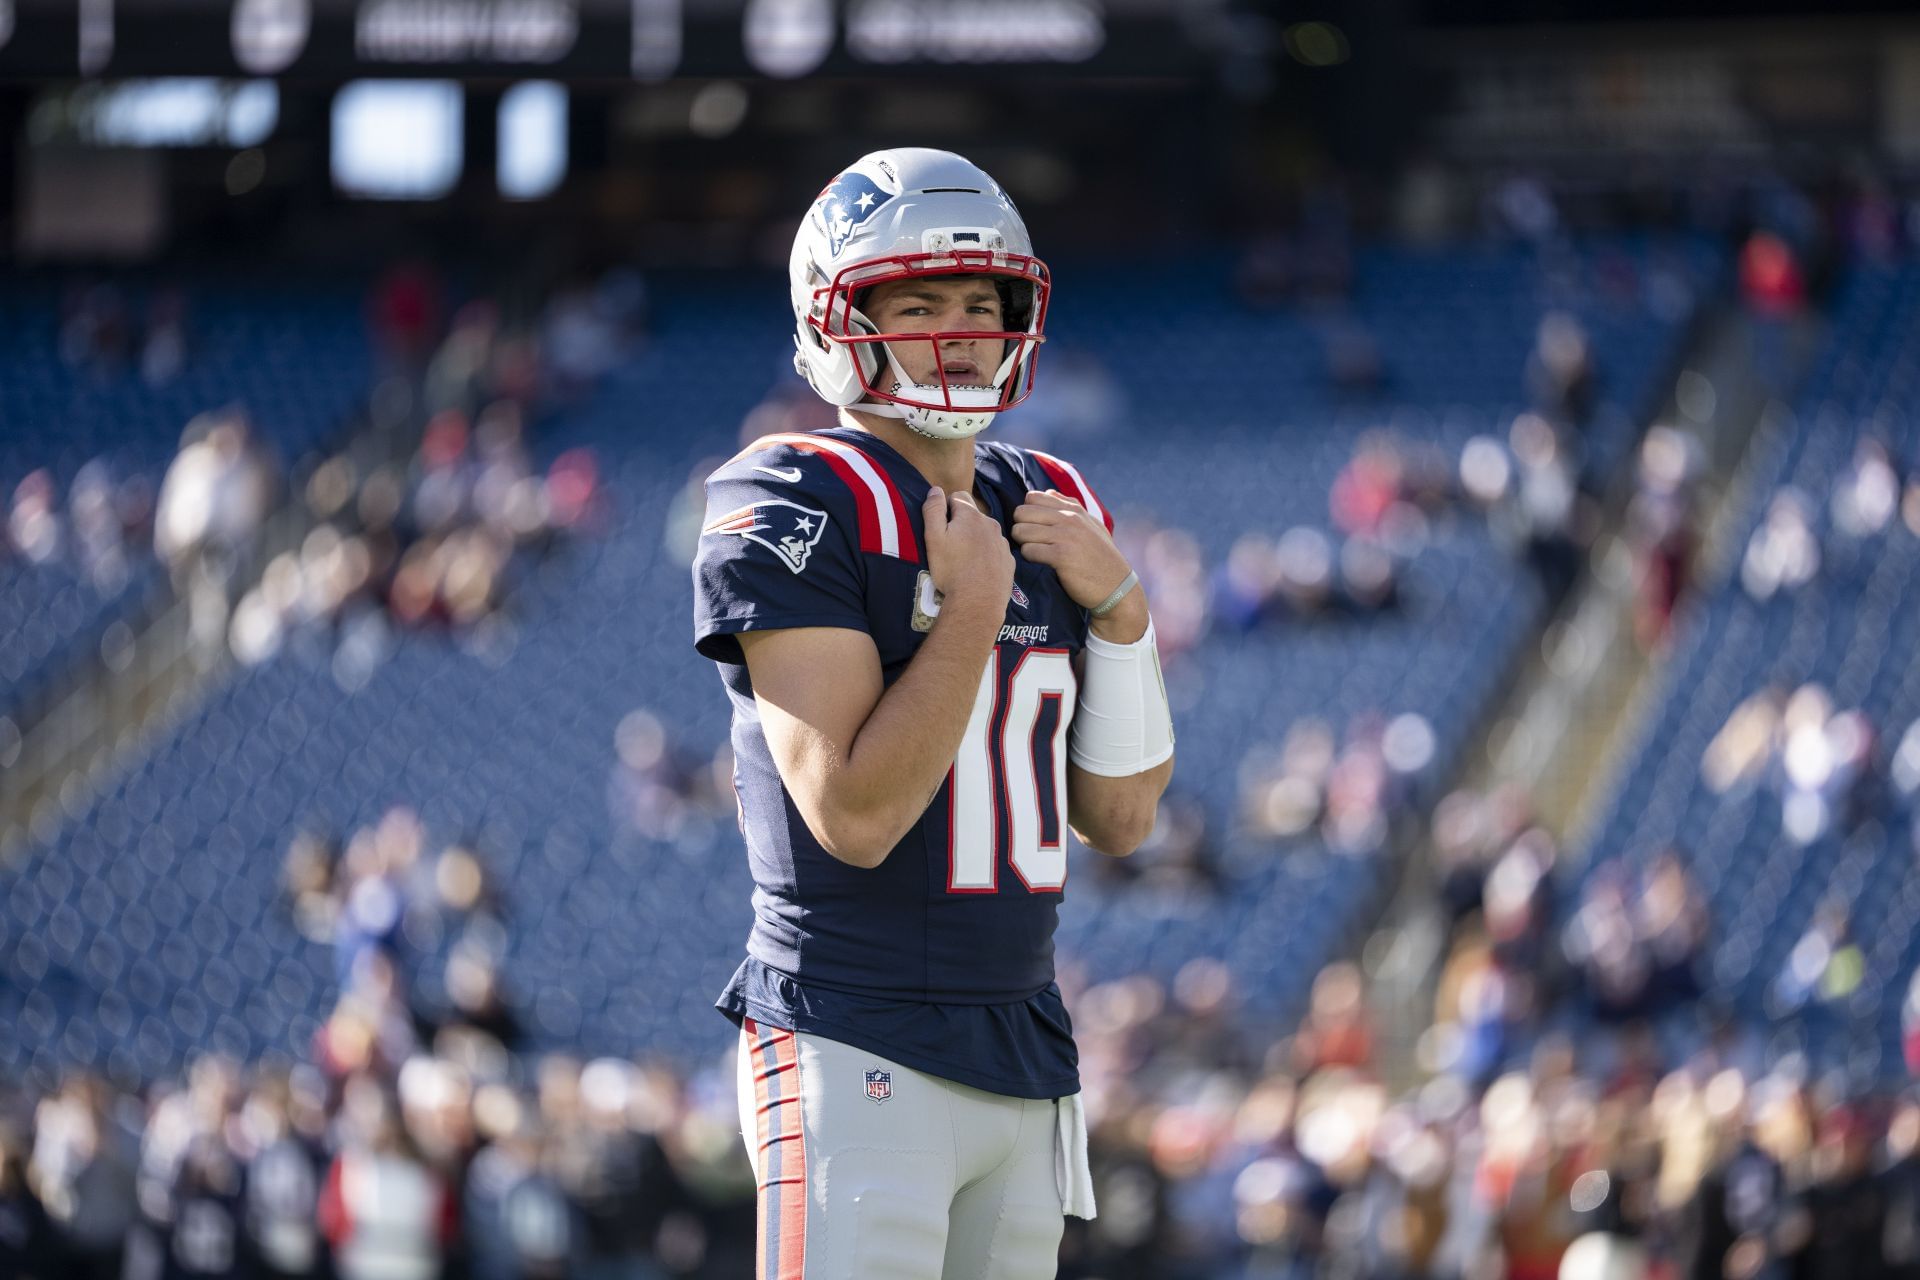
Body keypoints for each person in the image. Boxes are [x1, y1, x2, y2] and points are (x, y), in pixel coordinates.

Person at [691, 147, 1176, 1277]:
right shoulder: (792, 492)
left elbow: (1122, 815)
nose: (958, 330)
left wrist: (1126, 613)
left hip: (1024, 1038)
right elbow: (853, 814)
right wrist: (974, 609)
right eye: (917, 302)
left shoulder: (1053, 499)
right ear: (840, 319)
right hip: (854, 1028)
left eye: (979, 301)